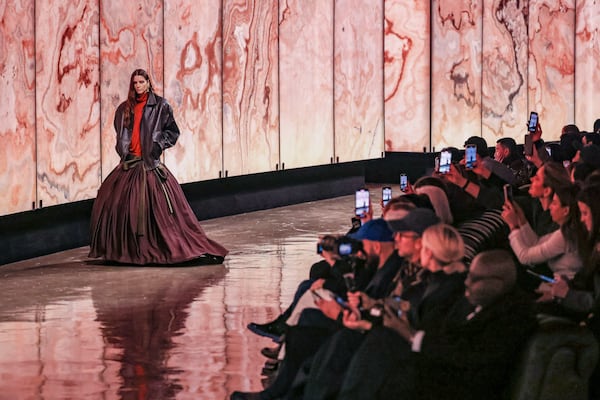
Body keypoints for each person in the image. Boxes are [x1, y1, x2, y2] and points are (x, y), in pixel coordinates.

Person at [336, 250, 537, 400]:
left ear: (497, 284)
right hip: (438, 369)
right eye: (468, 275)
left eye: (474, 279)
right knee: (378, 341)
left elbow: (467, 356)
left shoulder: (510, 319)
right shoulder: (483, 302)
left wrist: (408, 334)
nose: (466, 283)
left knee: (380, 347)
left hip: (455, 387)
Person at [88, 69, 228, 265]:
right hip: (130, 163)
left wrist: (157, 146)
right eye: (134, 82)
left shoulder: (161, 106)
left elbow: (172, 131)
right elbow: (120, 134)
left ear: (148, 83)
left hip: (149, 164)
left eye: (141, 82)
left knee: (160, 211)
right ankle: (127, 252)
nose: (137, 86)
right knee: (115, 204)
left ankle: (166, 247)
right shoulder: (124, 109)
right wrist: (123, 151)